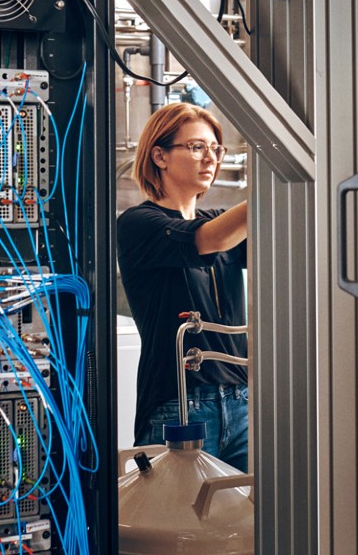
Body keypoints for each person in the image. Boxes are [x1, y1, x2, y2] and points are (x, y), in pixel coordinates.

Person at [116, 102, 249, 472]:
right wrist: (274, 186)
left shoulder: (218, 224)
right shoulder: (139, 223)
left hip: (242, 404)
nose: (211, 158)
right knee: (175, 529)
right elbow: (209, 240)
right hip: (179, 406)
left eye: (216, 149)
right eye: (196, 147)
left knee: (247, 527)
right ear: (159, 155)